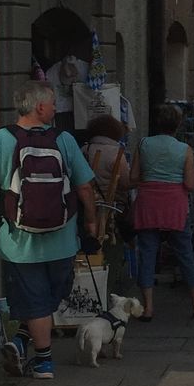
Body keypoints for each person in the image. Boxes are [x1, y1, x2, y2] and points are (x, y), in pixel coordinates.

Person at [0, 80, 98, 379]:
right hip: (63, 240)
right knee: (46, 299)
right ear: (40, 107)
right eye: (53, 103)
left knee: (34, 300)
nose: (55, 108)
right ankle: (43, 361)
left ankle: (24, 343)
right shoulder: (64, 140)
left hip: (19, 243)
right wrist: (91, 221)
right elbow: (84, 187)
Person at [131, 104, 194, 320]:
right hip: (175, 205)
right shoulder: (184, 149)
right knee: (185, 253)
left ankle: (148, 308)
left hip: (148, 203)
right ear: (178, 125)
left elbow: (133, 177)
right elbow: (190, 184)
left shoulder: (143, 144)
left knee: (147, 254)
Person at [81, 114, 131, 295]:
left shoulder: (85, 149)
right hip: (111, 210)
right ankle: (108, 289)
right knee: (111, 251)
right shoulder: (117, 153)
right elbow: (125, 183)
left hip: (87, 207)